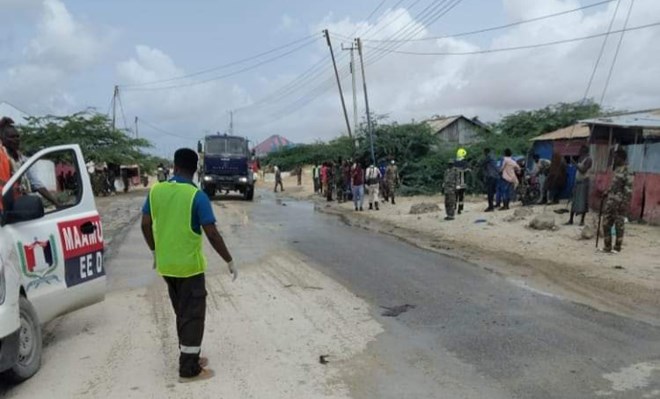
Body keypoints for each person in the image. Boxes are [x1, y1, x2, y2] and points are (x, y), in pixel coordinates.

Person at [141, 148, 236, 383]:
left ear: (174, 166)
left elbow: (145, 224)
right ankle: (189, 369)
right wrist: (229, 260)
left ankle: (190, 353)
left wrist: (154, 250)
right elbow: (212, 234)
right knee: (192, 315)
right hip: (189, 267)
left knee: (181, 312)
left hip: (166, 266)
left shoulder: (156, 191)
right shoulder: (197, 196)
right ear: (195, 170)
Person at [0, 117, 61, 207]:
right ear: (3, 139)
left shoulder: (23, 160)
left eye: (17, 136)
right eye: (12, 137)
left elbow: (35, 183)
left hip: (19, 204)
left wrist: (57, 204)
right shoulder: (2, 157)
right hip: (5, 206)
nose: (16, 139)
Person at [600, 149, 632, 254]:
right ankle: (607, 246)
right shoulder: (617, 169)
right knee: (606, 223)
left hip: (620, 202)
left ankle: (617, 247)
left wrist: (624, 203)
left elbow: (628, 190)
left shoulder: (628, 170)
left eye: (616, 157)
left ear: (621, 158)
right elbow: (613, 186)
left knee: (619, 225)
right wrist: (607, 192)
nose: (614, 159)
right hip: (611, 200)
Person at [567, 145, 593, 225]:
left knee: (583, 201)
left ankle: (582, 221)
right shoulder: (581, 159)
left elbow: (583, 170)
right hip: (578, 181)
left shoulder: (588, 159)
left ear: (584, 151)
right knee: (574, 201)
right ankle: (571, 220)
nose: (579, 152)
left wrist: (574, 163)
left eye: (581, 150)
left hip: (584, 182)